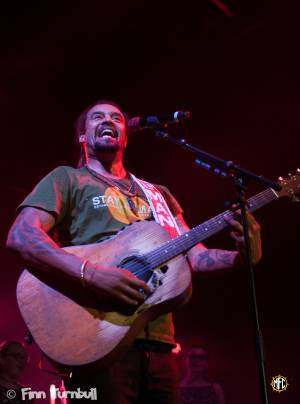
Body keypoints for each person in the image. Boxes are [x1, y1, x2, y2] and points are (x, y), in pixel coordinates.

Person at [6, 100, 261, 403]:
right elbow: (22, 235)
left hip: (159, 343)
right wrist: (92, 274)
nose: (109, 120)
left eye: (117, 118)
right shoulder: (67, 179)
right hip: (94, 337)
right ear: (83, 136)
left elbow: (198, 258)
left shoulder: (158, 194)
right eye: (98, 117)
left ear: (125, 136)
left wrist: (245, 255)